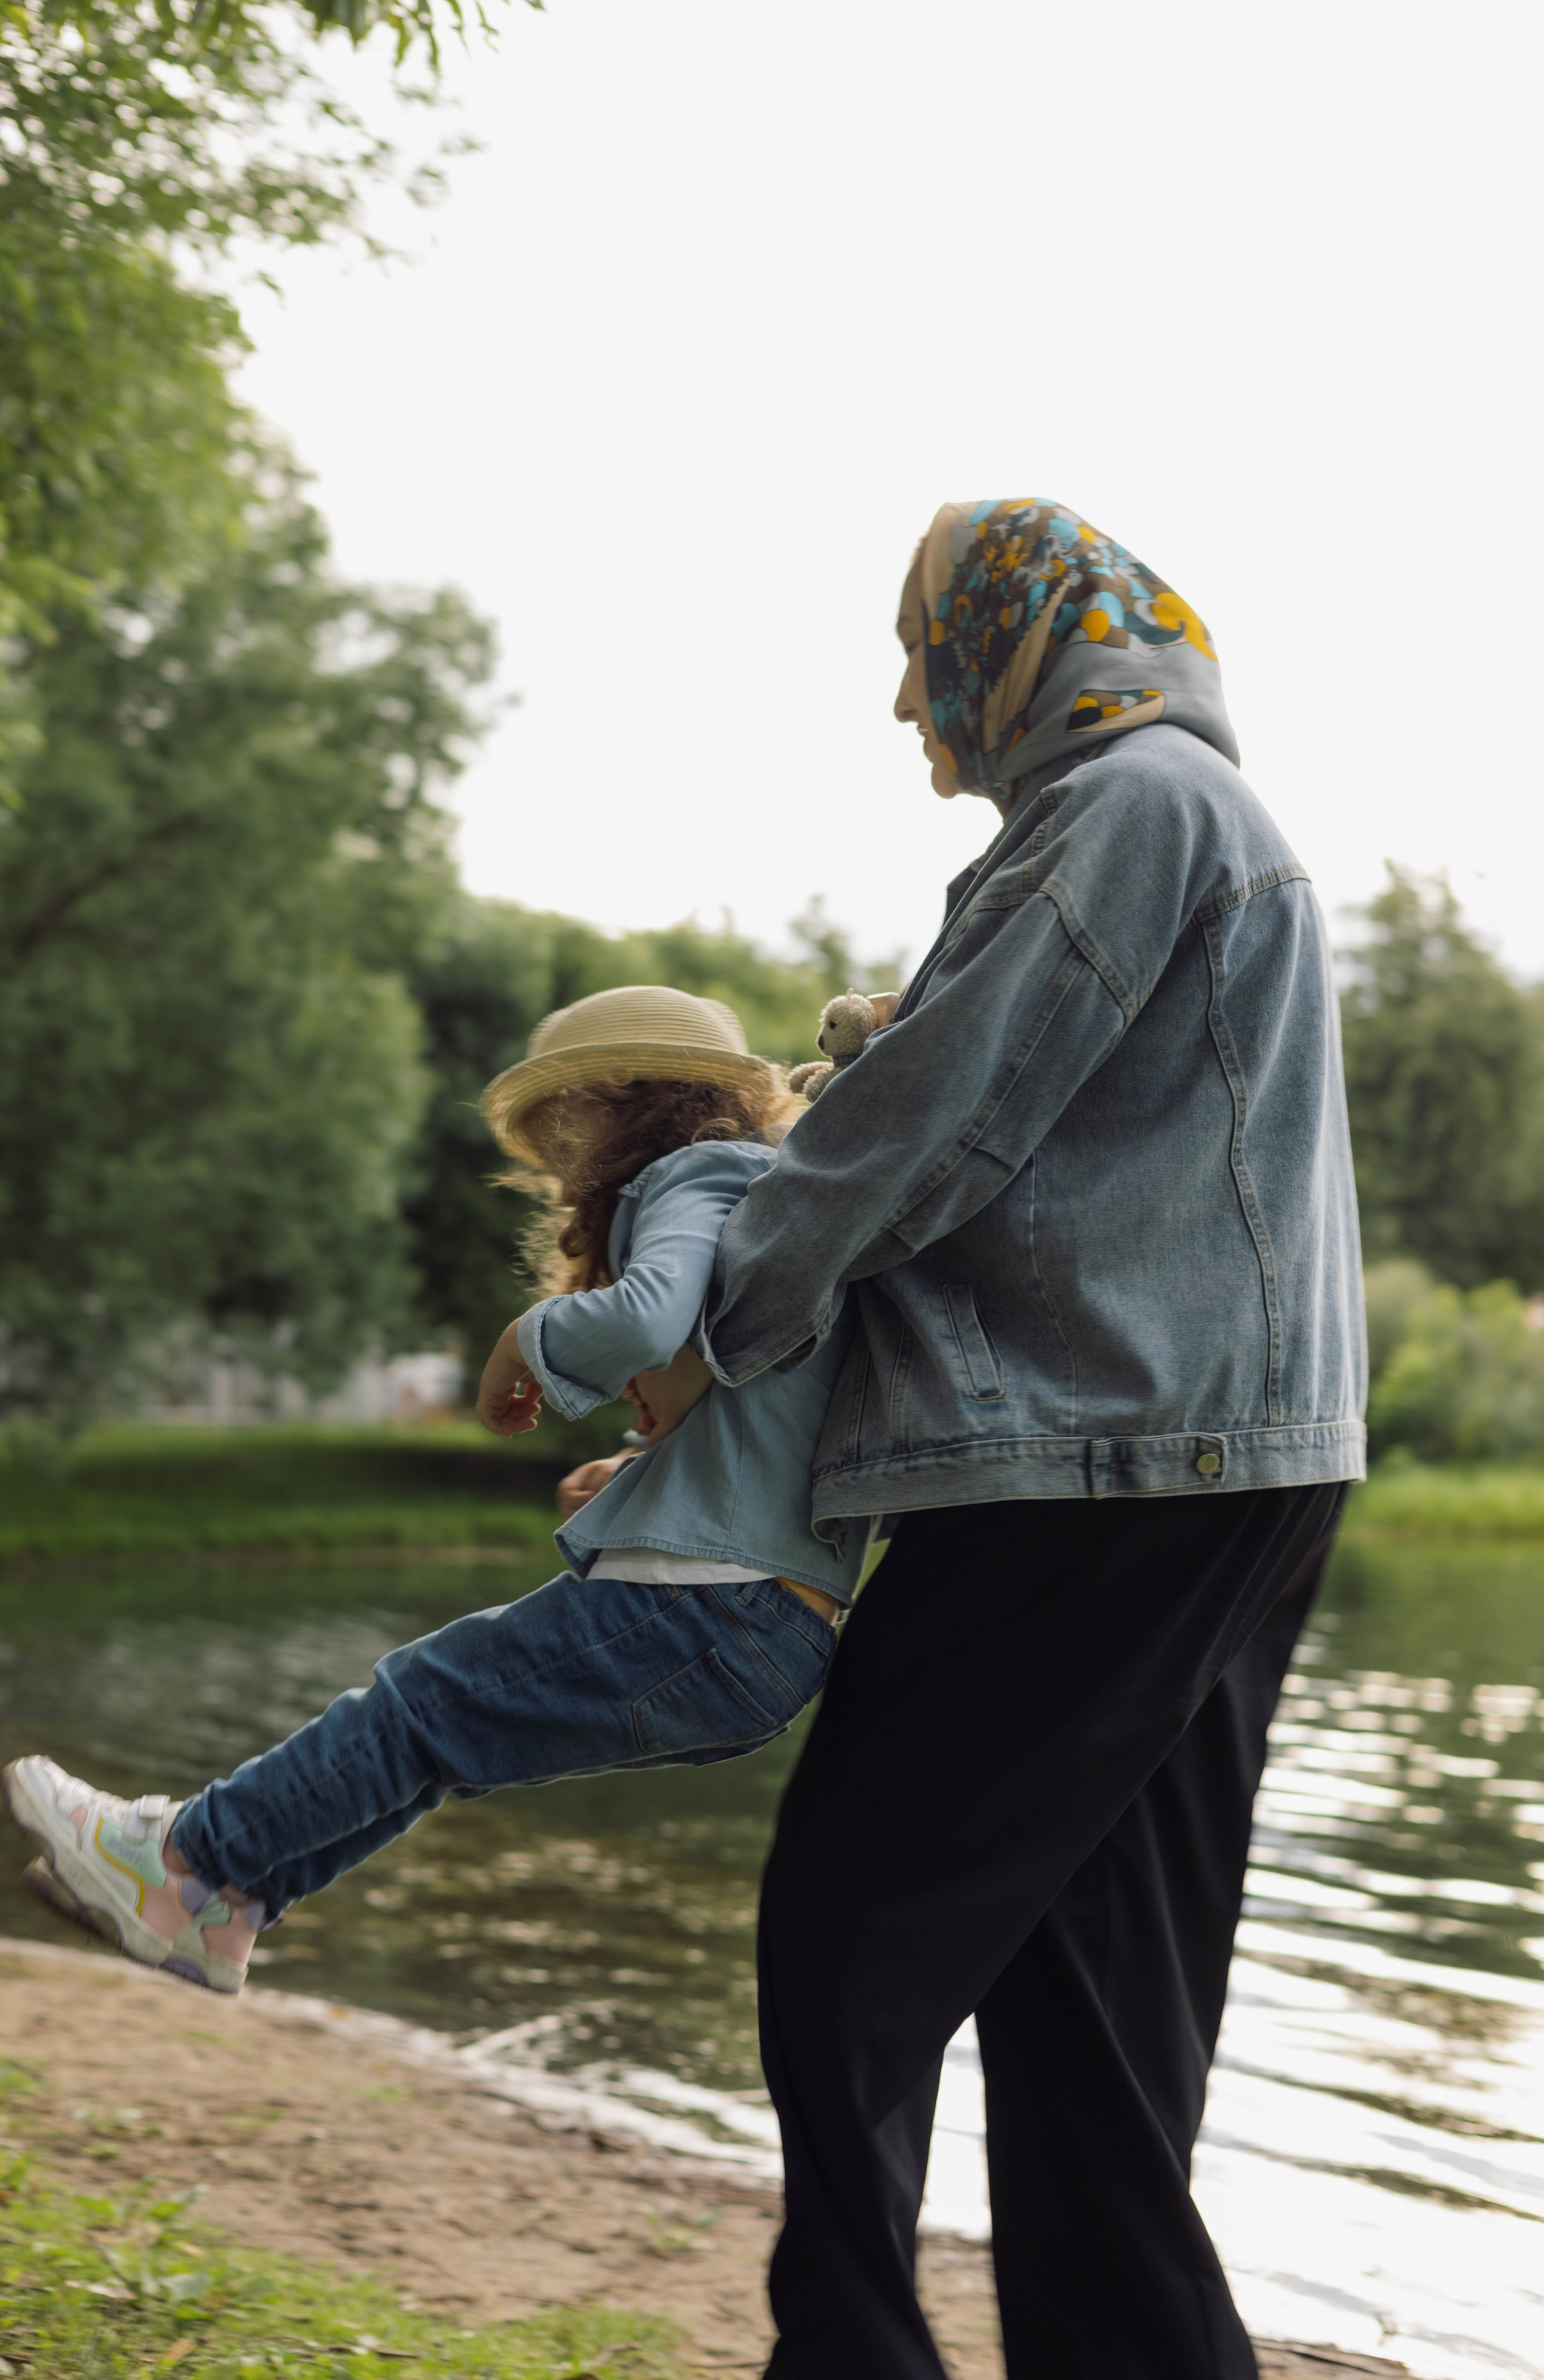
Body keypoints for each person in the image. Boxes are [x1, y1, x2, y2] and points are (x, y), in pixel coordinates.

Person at [698, 500, 1367, 2380]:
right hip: (1235, 1462)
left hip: (1115, 1467)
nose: (914, 713)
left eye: (925, 660)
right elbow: (1030, 1103)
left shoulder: (1125, 814)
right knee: (1092, 2017)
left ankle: (848, 2358)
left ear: (1014, 636)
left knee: (848, 1935)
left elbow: (931, 1133)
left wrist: (711, 1329)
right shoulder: (1178, 815)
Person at [3, 985, 867, 1994]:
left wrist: (524, 1341)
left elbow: (642, 1321)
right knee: (442, 1737)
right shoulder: (767, 1199)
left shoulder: (700, 1168)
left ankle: (187, 1860)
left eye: (558, 1121)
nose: (553, 1156)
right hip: (771, 1631)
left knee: (425, 1698)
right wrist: (640, 1474)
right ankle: (223, 1906)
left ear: (623, 1093)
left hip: (714, 1604)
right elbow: (771, 1413)